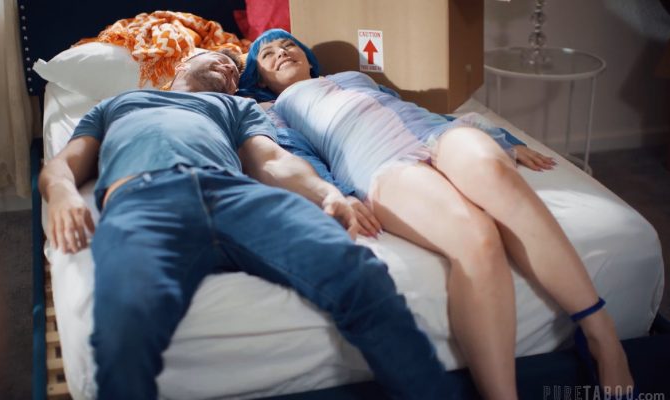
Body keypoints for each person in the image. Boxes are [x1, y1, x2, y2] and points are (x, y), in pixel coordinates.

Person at [238, 29, 634, 400]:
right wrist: (336, 194)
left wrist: (507, 140)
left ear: (308, 58)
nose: (281, 53)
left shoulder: (354, 77)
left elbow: (415, 107)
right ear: (261, 79)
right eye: (268, 54)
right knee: (477, 237)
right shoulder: (273, 110)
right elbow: (295, 156)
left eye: (287, 45)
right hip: (376, 160)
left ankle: (601, 335)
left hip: (433, 131)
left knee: (497, 176)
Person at [39, 49, 452, 400]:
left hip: (236, 196)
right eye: (219, 59)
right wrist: (62, 194)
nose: (229, 68)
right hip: (146, 200)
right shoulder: (121, 102)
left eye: (236, 70)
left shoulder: (237, 107)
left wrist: (326, 192)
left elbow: (272, 161)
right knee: (124, 324)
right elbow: (63, 164)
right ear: (183, 64)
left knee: (360, 273)